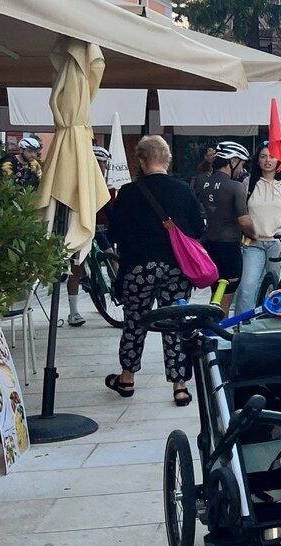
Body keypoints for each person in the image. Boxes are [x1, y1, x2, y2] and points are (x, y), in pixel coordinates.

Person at [106, 135, 205, 405]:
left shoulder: (127, 193)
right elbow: (198, 229)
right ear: (168, 158)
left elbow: (115, 232)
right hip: (175, 268)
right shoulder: (183, 190)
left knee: (134, 322)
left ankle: (127, 378)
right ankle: (180, 385)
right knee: (174, 323)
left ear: (140, 160)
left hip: (138, 268)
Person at [234, 142, 281, 313]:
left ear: (279, 160)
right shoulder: (247, 183)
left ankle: (274, 323)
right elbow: (241, 213)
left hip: (279, 244)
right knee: (246, 287)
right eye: (263, 156)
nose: (267, 160)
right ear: (257, 160)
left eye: (271, 156)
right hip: (253, 243)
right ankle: (243, 324)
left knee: (278, 289)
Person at [193, 141, 254, 311]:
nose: (242, 170)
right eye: (241, 164)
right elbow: (244, 221)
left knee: (216, 292)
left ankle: (212, 326)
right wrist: (255, 233)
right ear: (232, 161)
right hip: (229, 246)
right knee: (226, 295)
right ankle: (218, 332)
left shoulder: (201, 181)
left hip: (209, 244)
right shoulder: (236, 186)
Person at [65, 145, 118, 327]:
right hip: (79, 228)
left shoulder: (101, 184)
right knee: (76, 268)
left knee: (112, 257)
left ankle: (118, 289)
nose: (102, 168)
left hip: (95, 228)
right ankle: (73, 312)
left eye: (104, 164)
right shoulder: (78, 182)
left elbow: (108, 208)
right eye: (99, 164)